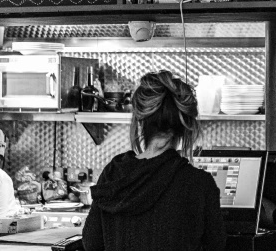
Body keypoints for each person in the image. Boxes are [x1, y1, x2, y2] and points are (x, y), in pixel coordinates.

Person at [83, 70, 226, 251]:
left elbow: (91, 243)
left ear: (139, 120)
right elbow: (216, 245)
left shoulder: (113, 174)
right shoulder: (199, 183)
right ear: (186, 126)